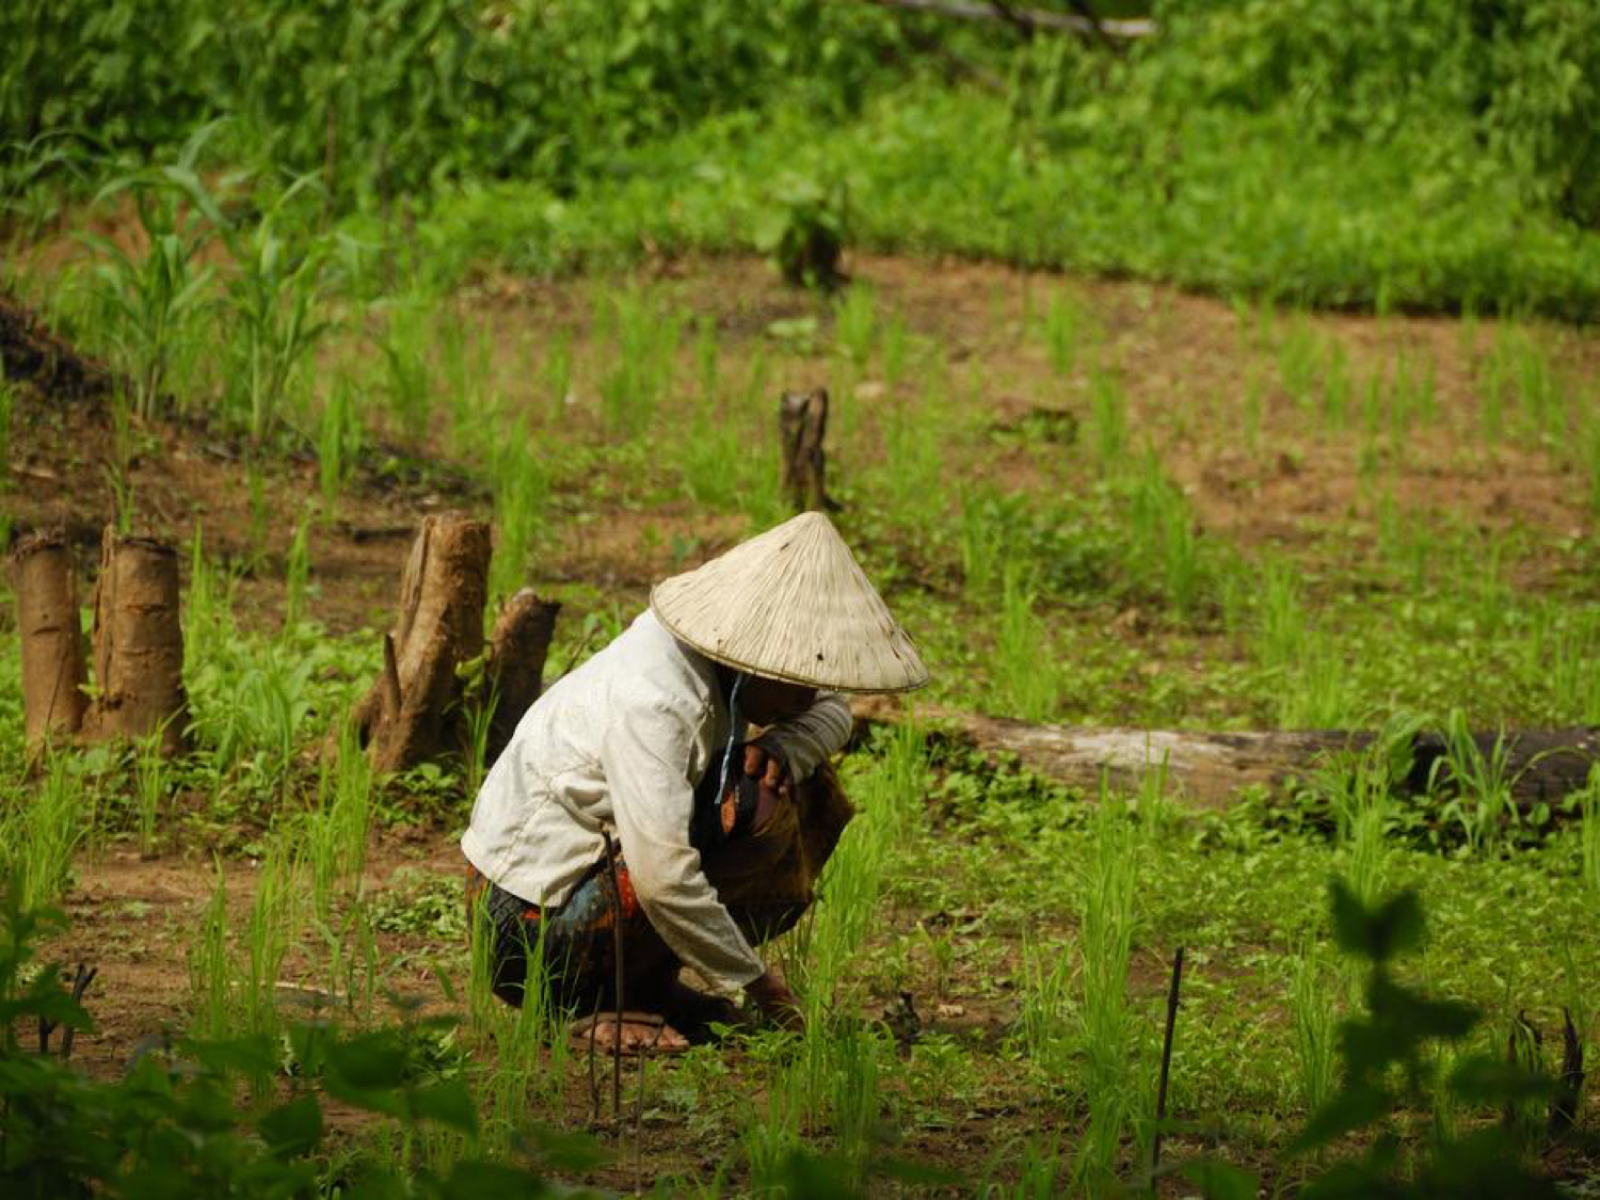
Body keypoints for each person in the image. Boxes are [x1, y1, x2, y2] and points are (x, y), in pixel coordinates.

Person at [462, 511, 928, 1053]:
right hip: (525, 928)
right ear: (754, 662)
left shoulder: (723, 664)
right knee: (750, 808)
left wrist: (778, 746)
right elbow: (663, 877)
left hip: (587, 880)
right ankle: (584, 1005)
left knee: (788, 781)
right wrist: (762, 986)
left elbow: (833, 713)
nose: (807, 699)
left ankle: (647, 989)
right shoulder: (657, 703)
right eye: (796, 684)